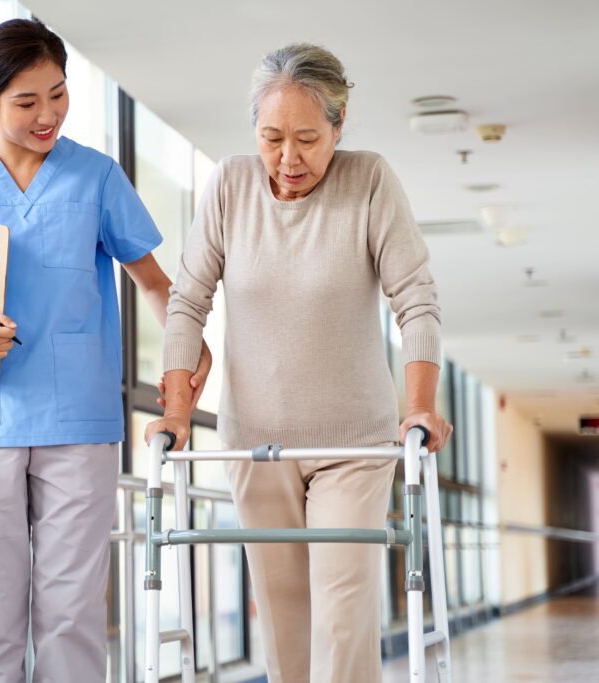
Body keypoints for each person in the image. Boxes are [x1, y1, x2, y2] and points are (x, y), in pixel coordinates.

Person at [0, 19, 210, 683]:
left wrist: (192, 348)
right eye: (27, 102)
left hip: (78, 421)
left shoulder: (96, 176)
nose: (47, 115)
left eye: (57, 95)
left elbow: (155, 285)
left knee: (71, 614)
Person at [145, 43, 453, 683]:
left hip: (354, 445)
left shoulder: (368, 180)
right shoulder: (230, 185)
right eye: (272, 137)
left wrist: (420, 404)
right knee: (285, 621)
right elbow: (187, 300)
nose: (289, 159)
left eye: (309, 139)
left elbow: (415, 299)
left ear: (340, 126)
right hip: (256, 442)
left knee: (343, 615)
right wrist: (176, 412)